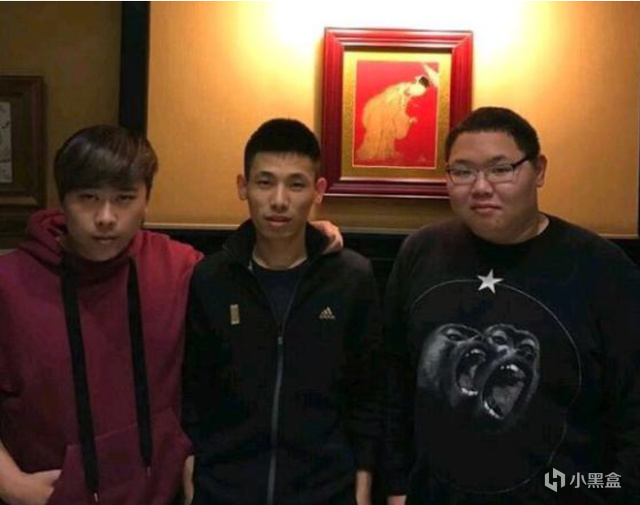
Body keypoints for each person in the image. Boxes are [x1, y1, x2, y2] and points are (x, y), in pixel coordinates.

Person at [0, 125, 342, 505]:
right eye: (88, 198)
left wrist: (304, 236)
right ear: (62, 200)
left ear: (146, 200)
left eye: (124, 198)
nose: (106, 217)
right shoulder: (11, 283)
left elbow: (253, 269)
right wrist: (11, 484)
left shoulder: (179, 267)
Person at [384, 107, 640, 504]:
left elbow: (632, 413)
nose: (480, 187)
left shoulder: (602, 269)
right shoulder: (421, 252)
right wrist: (397, 488)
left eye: (501, 169)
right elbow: (392, 383)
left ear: (539, 170)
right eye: (462, 171)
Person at [182, 118, 383, 505]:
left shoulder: (351, 278)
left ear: (318, 191)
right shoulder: (211, 278)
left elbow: (367, 394)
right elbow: (194, 390)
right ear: (243, 186)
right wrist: (192, 476)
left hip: (325, 490)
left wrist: (361, 489)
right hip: (224, 489)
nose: (278, 200)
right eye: (264, 182)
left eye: (296, 184)